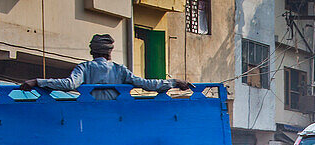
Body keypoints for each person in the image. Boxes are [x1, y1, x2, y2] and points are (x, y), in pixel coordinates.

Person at [20, 34, 191, 99]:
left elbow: (70, 84)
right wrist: (174, 82)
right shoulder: (120, 70)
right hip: (116, 115)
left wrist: (37, 82)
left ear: (92, 52)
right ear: (109, 53)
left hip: (89, 114)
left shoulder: (84, 68)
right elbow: (147, 84)